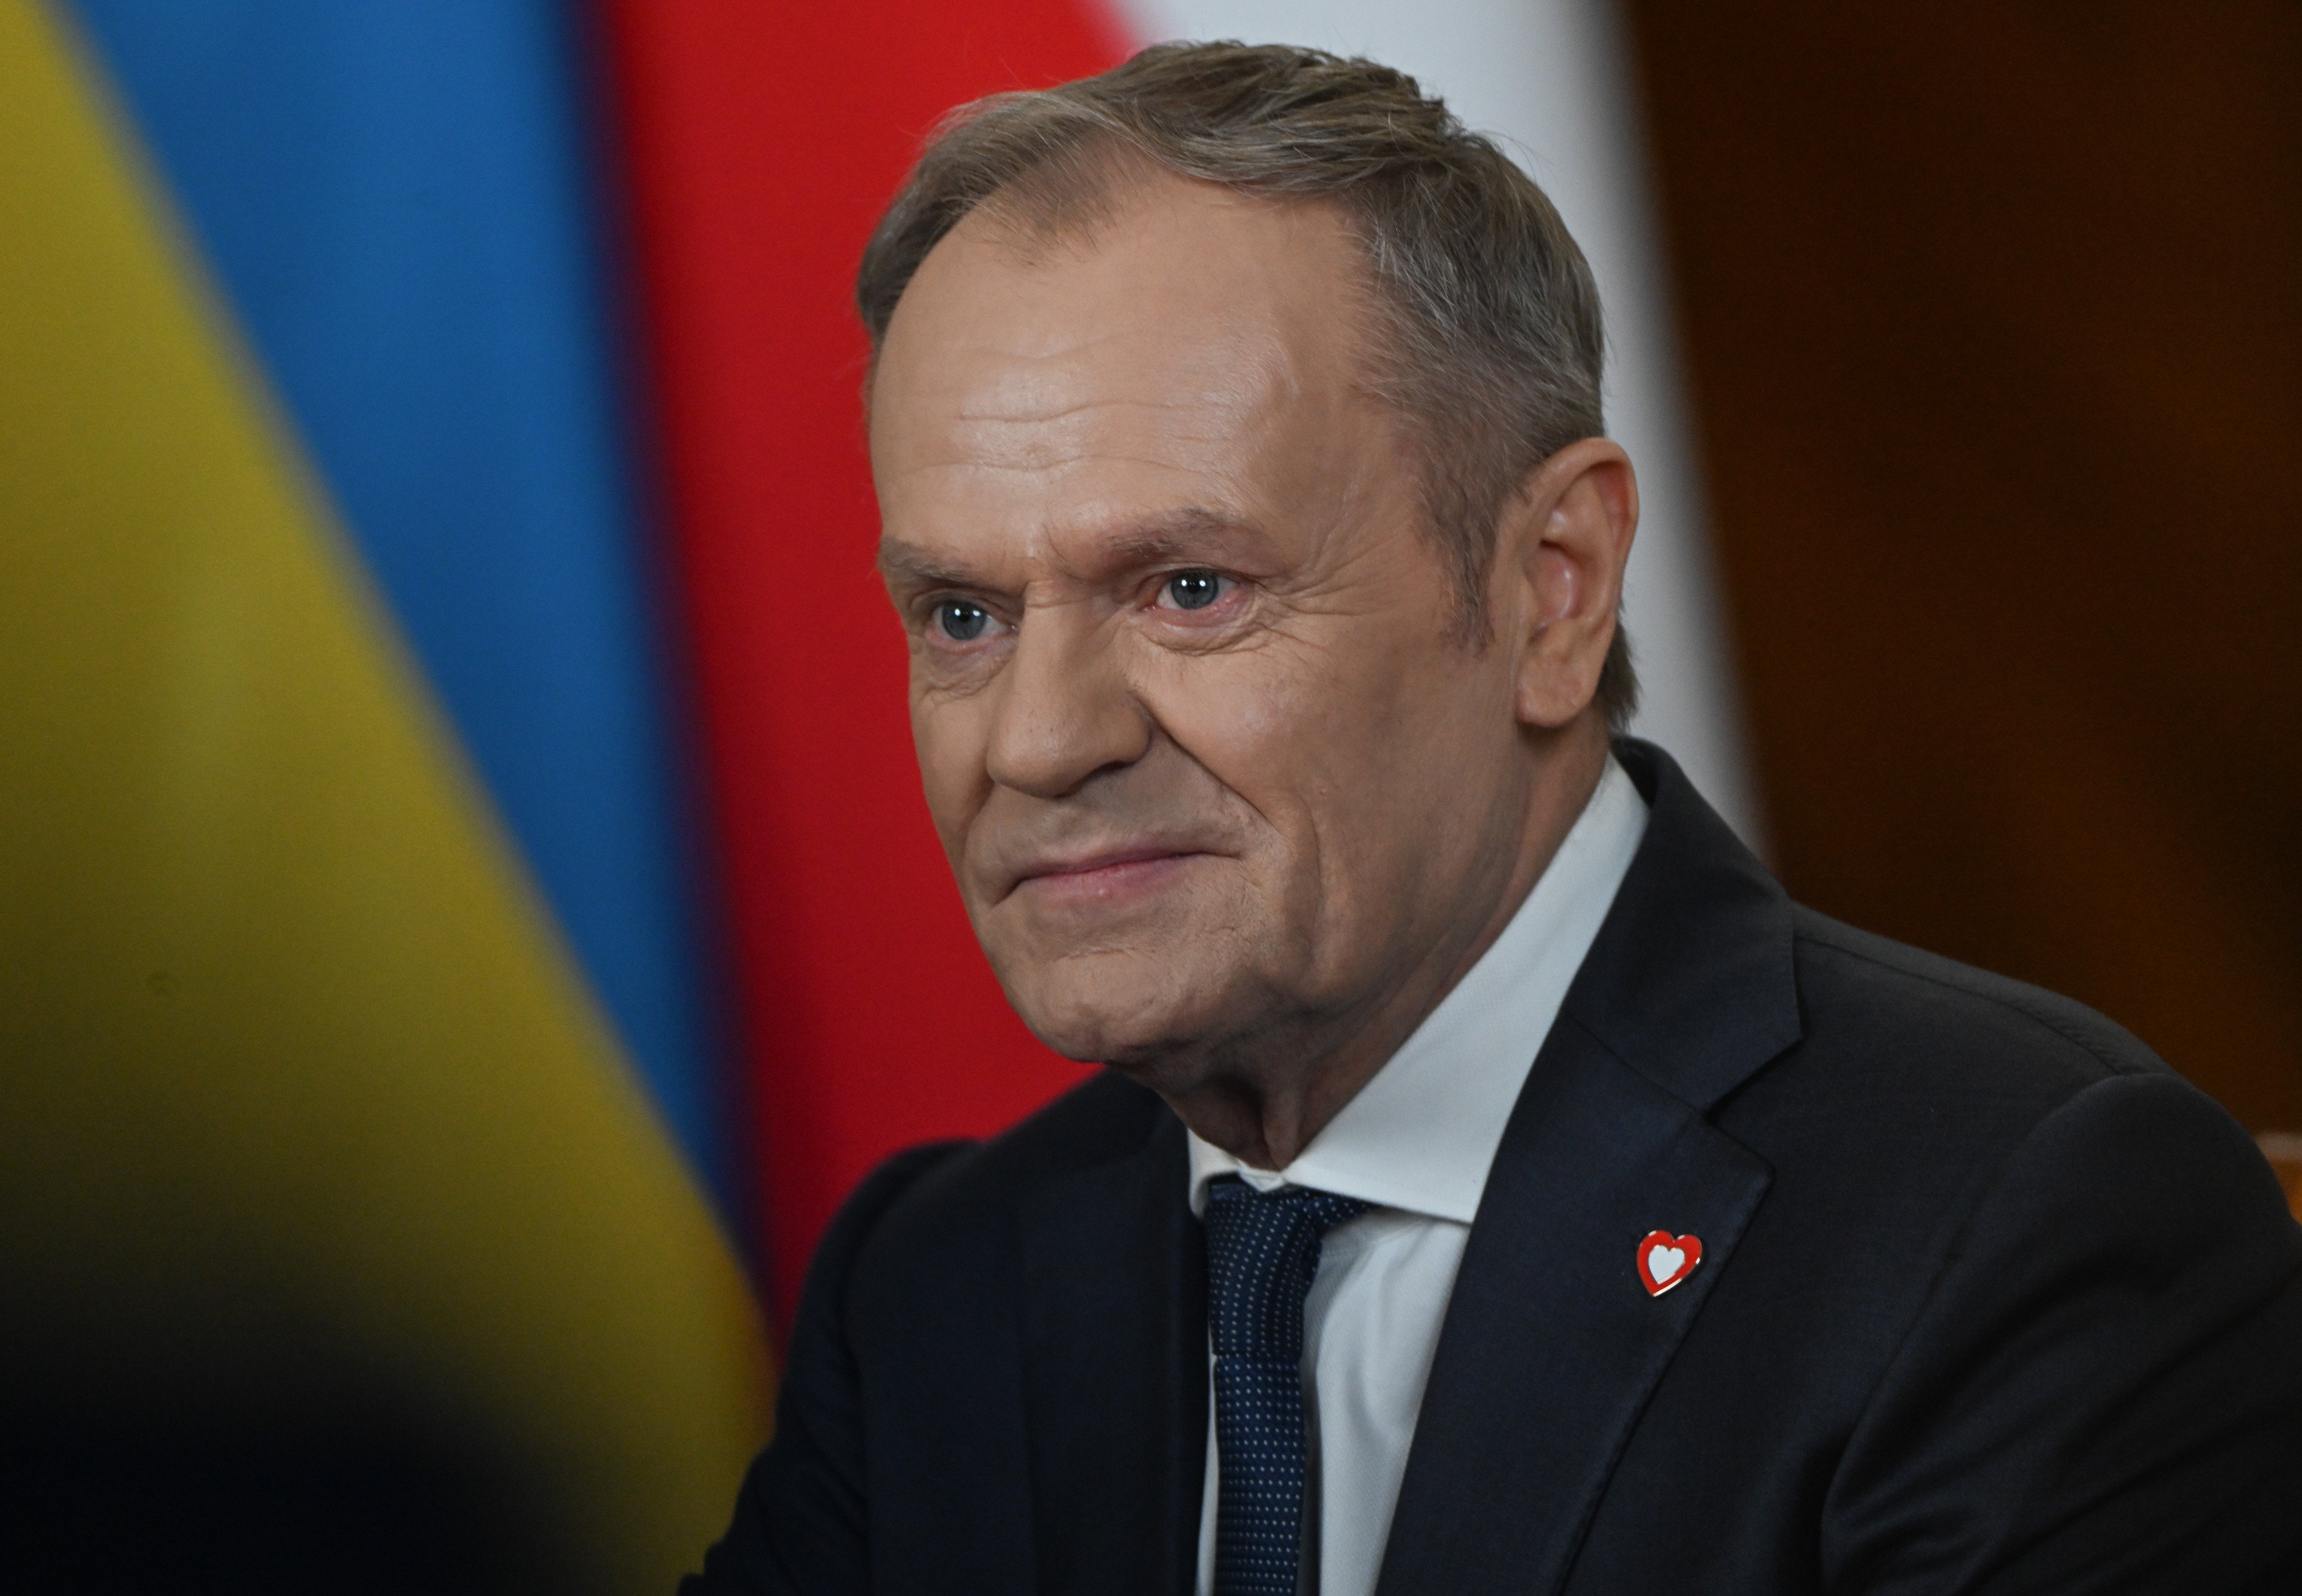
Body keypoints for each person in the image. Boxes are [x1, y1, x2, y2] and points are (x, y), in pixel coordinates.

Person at [689, 42, 2302, 1596]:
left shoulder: (2018, 1226)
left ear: (1552, 589)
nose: (1041, 742)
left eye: (1190, 588)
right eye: (964, 616)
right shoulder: (936, 1291)